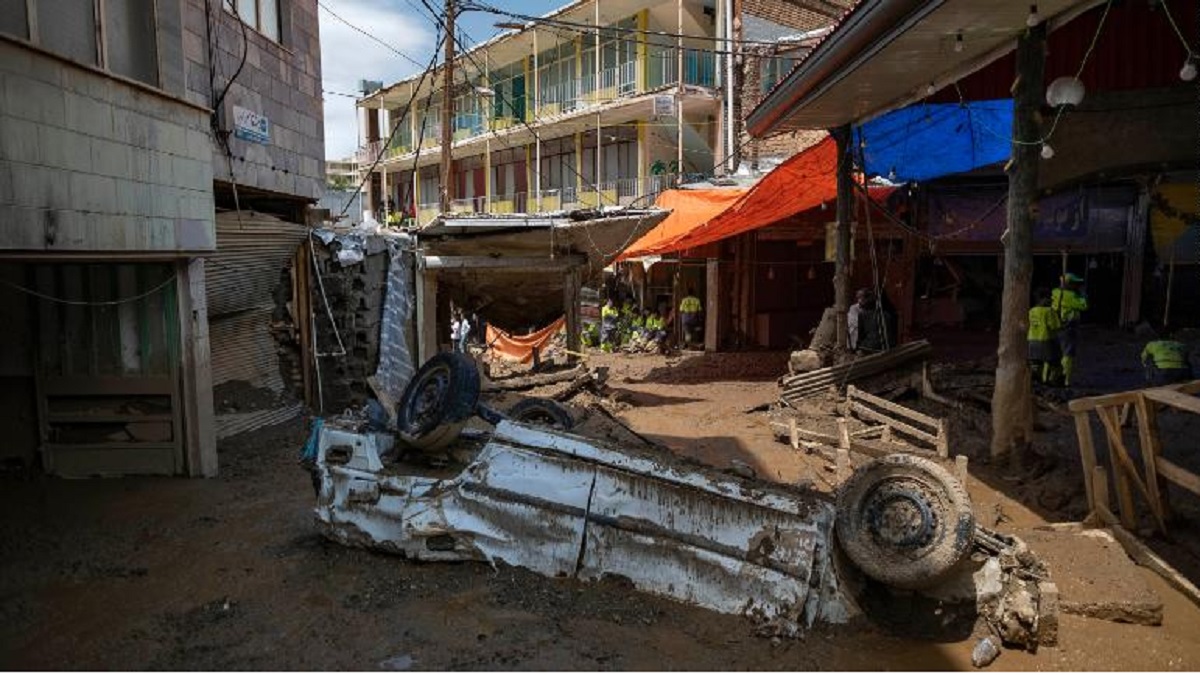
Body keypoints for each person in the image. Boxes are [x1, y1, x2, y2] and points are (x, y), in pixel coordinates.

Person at [1051, 273, 1088, 386]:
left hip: (1056, 326)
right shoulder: (1070, 296)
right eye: (1075, 284)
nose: (1077, 286)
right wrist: (1082, 294)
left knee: (1055, 353)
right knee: (1067, 354)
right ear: (1069, 284)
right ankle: (1065, 379)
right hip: (1068, 327)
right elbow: (1084, 306)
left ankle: (1052, 377)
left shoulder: (1055, 293)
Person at [1027, 288, 1062, 385]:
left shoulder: (1031, 311)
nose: (1052, 299)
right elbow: (1055, 326)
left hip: (1032, 340)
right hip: (1047, 340)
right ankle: (1052, 381)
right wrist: (1058, 316)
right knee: (1055, 362)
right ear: (1043, 298)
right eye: (1050, 297)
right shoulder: (1049, 311)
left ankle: (1036, 381)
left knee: (1036, 363)